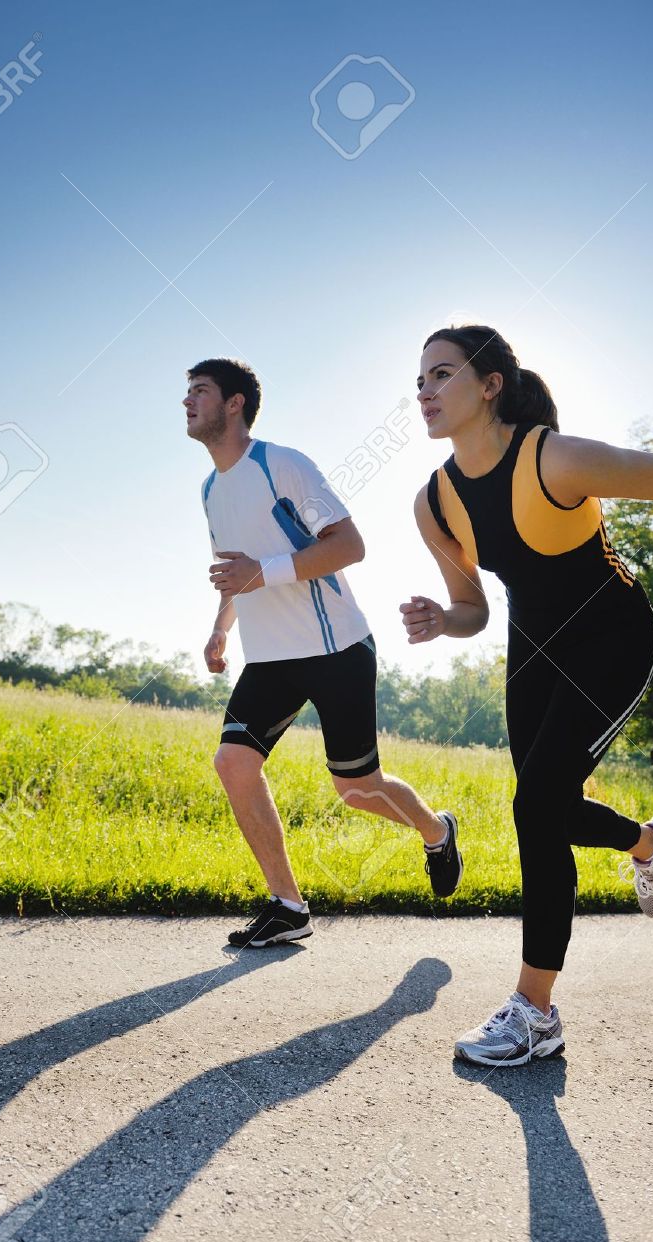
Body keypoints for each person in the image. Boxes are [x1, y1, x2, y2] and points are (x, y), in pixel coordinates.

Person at [402, 325, 653, 1066]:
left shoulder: (551, 457)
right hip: (533, 653)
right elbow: (473, 607)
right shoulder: (435, 502)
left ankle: (535, 1010)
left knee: (535, 803)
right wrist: (442, 621)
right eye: (418, 380)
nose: (424, 392)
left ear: (489, 387)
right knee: (543, 808)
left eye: (441, 375)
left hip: (612, 636)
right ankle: (651, 842)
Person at [185, 356, 463, 949]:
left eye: (200, 391)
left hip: (335, 646)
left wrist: (264, 573)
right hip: (270, 659)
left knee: (356, 788)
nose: (187, 402)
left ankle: (436, 831)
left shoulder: (282, 466)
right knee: (233, 762)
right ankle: (288, 906)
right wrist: (220, 628)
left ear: (234, 404)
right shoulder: (210, 490)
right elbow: (240, 573)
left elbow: (349, 545)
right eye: (188, 392)